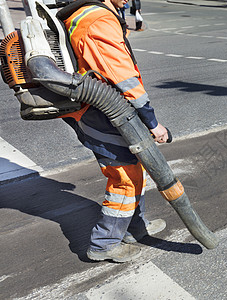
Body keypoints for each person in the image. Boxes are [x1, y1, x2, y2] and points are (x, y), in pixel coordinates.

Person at [56, 0, 169, 263]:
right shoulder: (98, 21)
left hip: (98, 109)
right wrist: (153, 123)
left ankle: (135, 227)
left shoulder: (88, 12)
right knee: (124, 180)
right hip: (101, 113)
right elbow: (124, 78)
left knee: (133, 168)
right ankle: (104, 243)